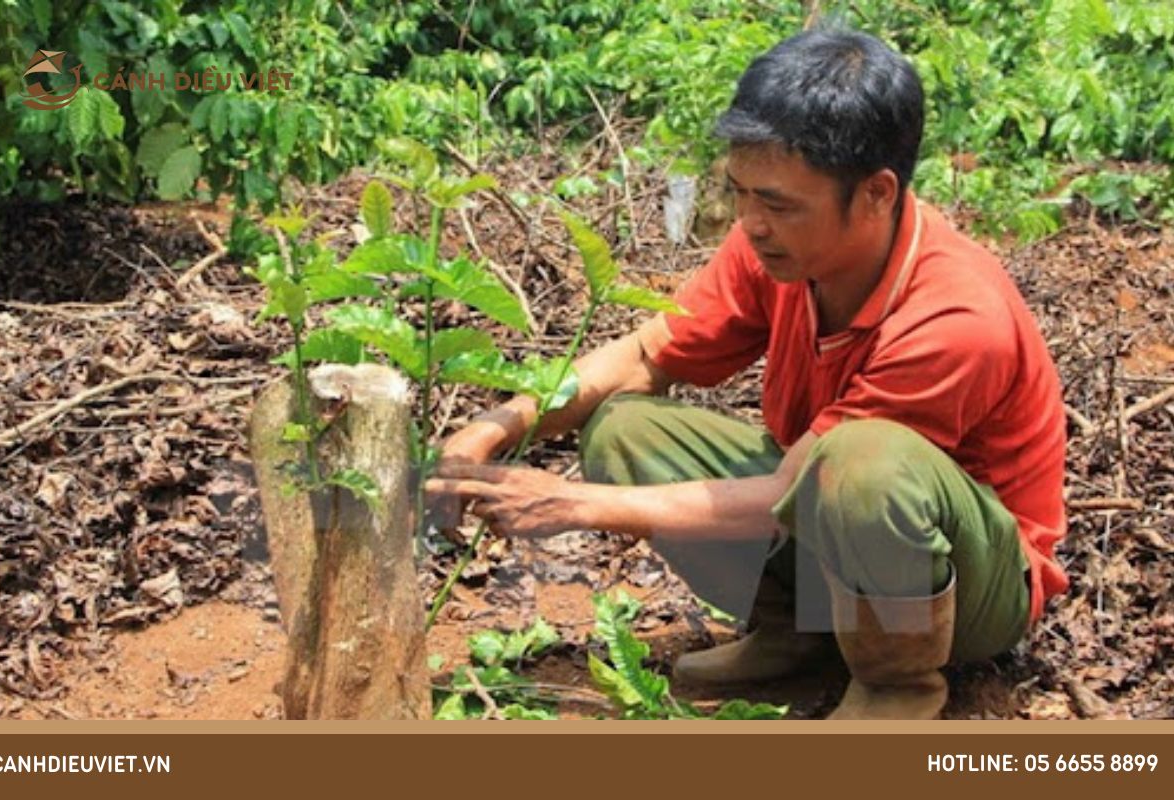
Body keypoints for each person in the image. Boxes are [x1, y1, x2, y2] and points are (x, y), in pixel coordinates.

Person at [425, 27, 1068, 720]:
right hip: (831, 516)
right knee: (626, 428)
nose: (750, 223)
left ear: (878, 193)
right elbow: (643, 358)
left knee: (860, 461)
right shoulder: (776, 247)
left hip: (971, 588)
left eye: (779, 204)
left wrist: (572, 504)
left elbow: (799, 488)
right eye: (740, 194)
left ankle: (896, 685)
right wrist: (494, 428)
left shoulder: (955, 316)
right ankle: (797, 633)